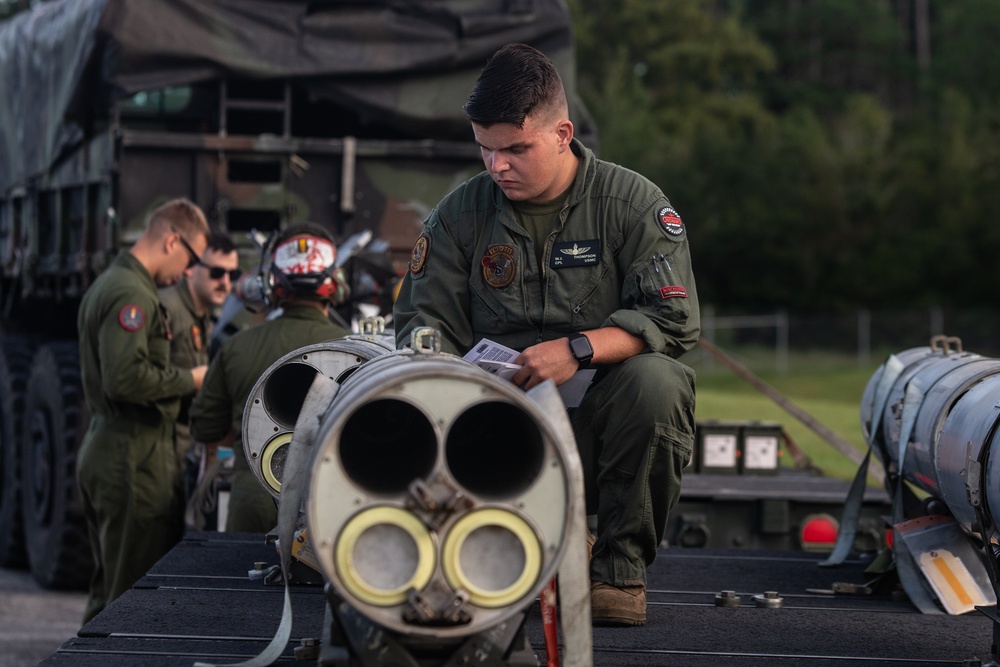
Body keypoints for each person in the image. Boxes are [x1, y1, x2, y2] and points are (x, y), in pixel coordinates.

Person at [393, 43, 699, 627]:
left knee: (660, 382)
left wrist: (575, 350)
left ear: (562, 133)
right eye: (484, 148)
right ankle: (502, 544)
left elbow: (673, 320)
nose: (496, 166)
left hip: (596, 423)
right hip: (491, 420)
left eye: (515, 149)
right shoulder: (460, 216)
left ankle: (617, 572)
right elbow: (423, 324)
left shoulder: (631, 206)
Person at [76, 198, 211, 624]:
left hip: (119, 448)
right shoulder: (132, 293)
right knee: (127, 602)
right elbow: (125, 378)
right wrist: (191, 379)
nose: (189, 271)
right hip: (132, 457)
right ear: (172, 240)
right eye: (192, 258)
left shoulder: (115, 282)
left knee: (109, 592)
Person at [189, 222, 349, 534]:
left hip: (250, 504)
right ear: (335, 283)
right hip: (325, 510)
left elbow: (205, 426)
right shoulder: (356, 350)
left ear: (273, 283)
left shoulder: (236, 347)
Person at [159, 231, 240, 525]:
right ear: (191, 268)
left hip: (178, 446)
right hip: (155, 450)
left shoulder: (202, 316)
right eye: (217, 272)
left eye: (233, 274)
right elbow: (136, 379)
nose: (226, 282)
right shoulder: (168, 309)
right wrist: (192, 380)